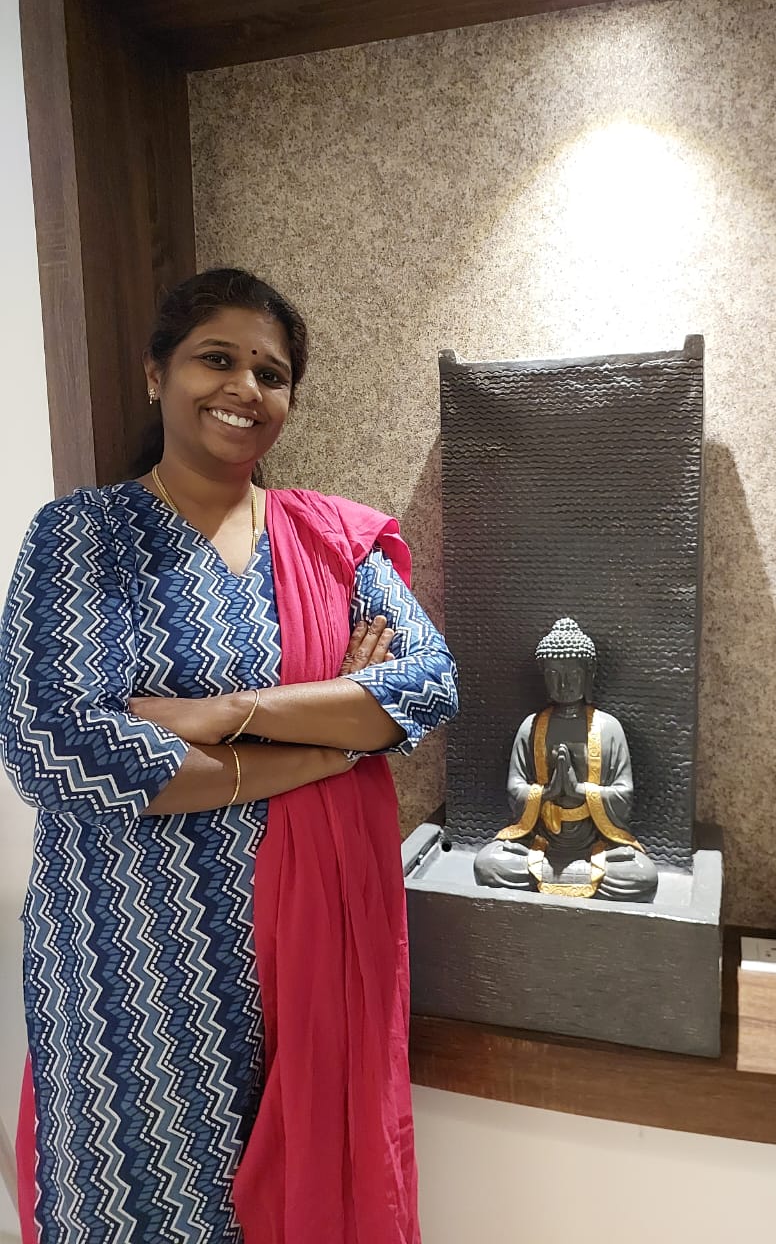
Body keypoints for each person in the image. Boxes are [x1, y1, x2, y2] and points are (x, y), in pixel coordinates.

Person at [0, 268, 458, 1244]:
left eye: (271, 372)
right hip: (127, 954)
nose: (245, 387)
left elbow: (425, 687)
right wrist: (326, 740)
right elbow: (56, 749)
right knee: (139, 1202)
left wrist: (217, 714)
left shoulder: (334, 544)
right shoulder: (82, 537)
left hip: (308, 951)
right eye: (218, 358)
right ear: (156, 371)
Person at [474, 617, 657, 900]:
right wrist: (548, 792)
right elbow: (514, 788)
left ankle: (557, 874)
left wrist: (579, 790)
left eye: (573, 674)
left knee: (643, 876)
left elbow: (625, 794)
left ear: (589, 675)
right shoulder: (531, 727)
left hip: (595, 842)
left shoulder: (608, 727)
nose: (563, 683)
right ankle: (569, 874)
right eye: (553, 674)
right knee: (487, 864)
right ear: (543, 678)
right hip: (541, 839)